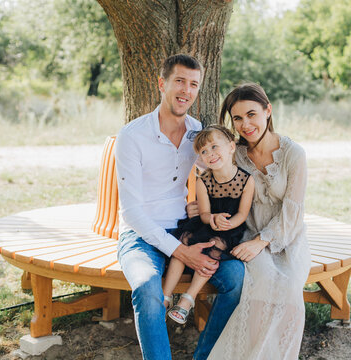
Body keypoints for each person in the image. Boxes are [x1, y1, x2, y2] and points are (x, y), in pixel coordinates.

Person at [114, 54, 244, 360]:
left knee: (236, 278)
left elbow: (217, 171)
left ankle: (204, 357)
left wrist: (203, 209)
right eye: (179, 81)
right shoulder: (132, 136)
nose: (186, 90)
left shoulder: (197, 134)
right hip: (141, 234)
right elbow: (131, 212)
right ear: (162, 84)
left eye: (193, 84)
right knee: (147, 287)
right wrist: (179, 250)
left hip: (189, 230)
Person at [207, 83, 312, 360]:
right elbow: (211, 181)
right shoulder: (235, 154)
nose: (245, 124)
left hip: (286, 235)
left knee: (290, 291)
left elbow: (293, 212)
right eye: (238, 118)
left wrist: (262, 241)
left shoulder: (293, 154)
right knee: (261, 283)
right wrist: (200, 204)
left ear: (268, 110)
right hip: (247, 234)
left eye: (252, 114)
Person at [163, 125, 255, 325]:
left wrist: (228, 224)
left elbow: (242, 213)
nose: (210, 154)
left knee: (215, 247)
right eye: (204, 152)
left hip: (229, 229)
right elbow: (203, 213)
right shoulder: (203, 180)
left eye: (214, 147)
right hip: (205, 224)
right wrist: (212, 218)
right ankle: (165, 296)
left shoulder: (246, 180)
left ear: (231, 147)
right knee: (184, 243)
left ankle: (188, 299)